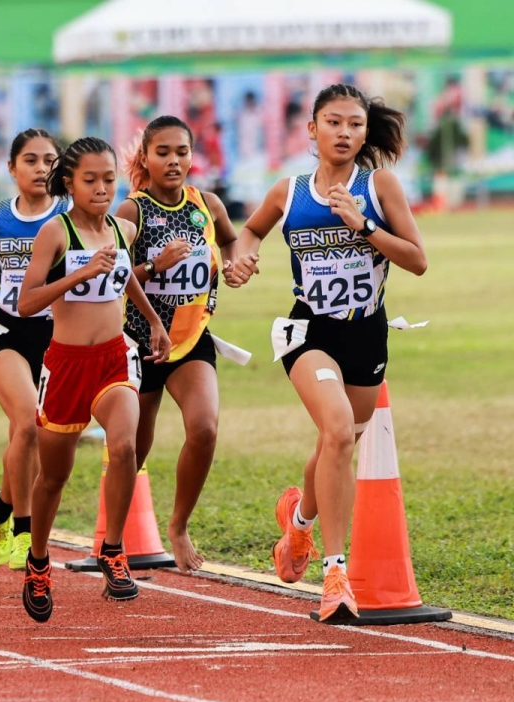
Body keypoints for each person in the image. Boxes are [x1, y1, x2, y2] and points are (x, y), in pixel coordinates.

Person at [226, 84, 428, 622]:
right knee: (338, 430)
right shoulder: (288, 191)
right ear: (311, 129)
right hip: (309, 330)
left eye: (355, 124)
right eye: (333, 122)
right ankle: (335, 574)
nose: (344, 133)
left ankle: (298, 524)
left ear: (365, 132)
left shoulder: (378, 184)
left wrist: (363, 226)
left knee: (339, 440)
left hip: (367, 333)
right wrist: (241, 259)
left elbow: (417, 260)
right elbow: (249, 231)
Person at [17, 137, 171, 623]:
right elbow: (26, 303)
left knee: (124, 447)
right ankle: (38, 561)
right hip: (65, 366)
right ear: (69, 182)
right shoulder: (55, 234)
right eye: (91, 180)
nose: (103, 188)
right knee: (53, 477)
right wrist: (75, 276)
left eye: (109, 179)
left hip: (113, 356)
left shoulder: (122, 230)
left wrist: (155, 322)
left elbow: (125, 279)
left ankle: (112, 548)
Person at [115, 115, 240, 575]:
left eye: (181, 152)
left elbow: (232, 242)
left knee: (205, 428)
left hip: (190, 339)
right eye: (162, 152)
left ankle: (179, 525)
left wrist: (237, 264)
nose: (173, 161)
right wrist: (153, 266)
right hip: (140, 344)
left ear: (192, 155)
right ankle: (114, 540)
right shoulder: (132, 212)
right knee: (131, 449)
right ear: (145, 157)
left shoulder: (206, 204)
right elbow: (113, 277)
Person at [0, 128, 67, 571]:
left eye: (49, 161)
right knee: (27, 426)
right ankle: (22, 530)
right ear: (11, 168)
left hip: (57, 337)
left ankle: (2, 508)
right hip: (7, 332)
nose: (41, 169)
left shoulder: (69, 216)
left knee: (28, 437)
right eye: (31, 160)